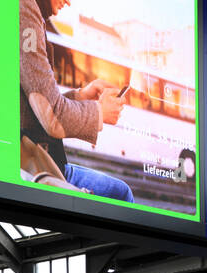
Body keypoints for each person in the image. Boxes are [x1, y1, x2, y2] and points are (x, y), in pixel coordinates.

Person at [19, 0, 134, 201]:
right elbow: (52, 115)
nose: (69, 2)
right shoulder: (25, 9)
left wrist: (81, 96)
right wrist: (99, 112)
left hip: (46, 163)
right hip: (37, 168)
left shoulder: (32, 11)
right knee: (120, 195)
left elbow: (38, 107)